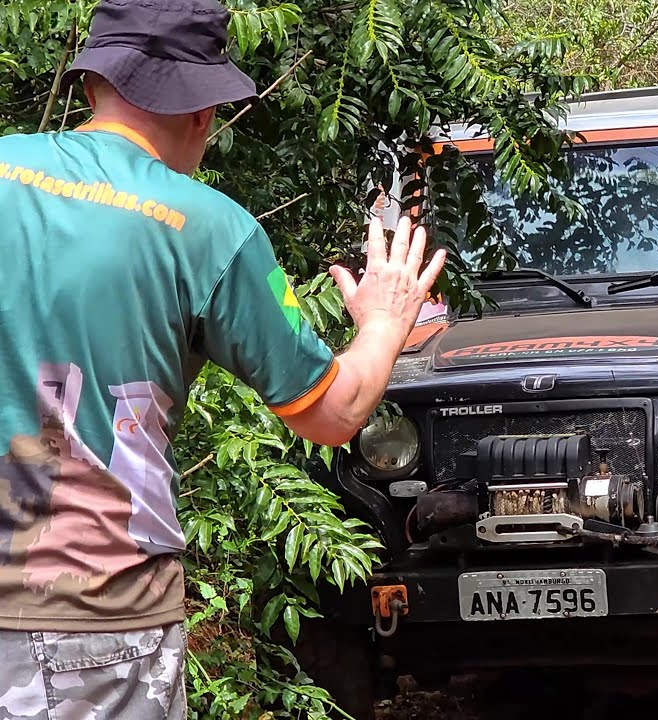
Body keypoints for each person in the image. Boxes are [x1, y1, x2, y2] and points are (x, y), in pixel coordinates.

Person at [0, 0, 445, 717]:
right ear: (203, 111)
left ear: (90, 88)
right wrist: (386, 322)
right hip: (94, 617)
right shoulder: (211, 231)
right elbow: (332, 412)